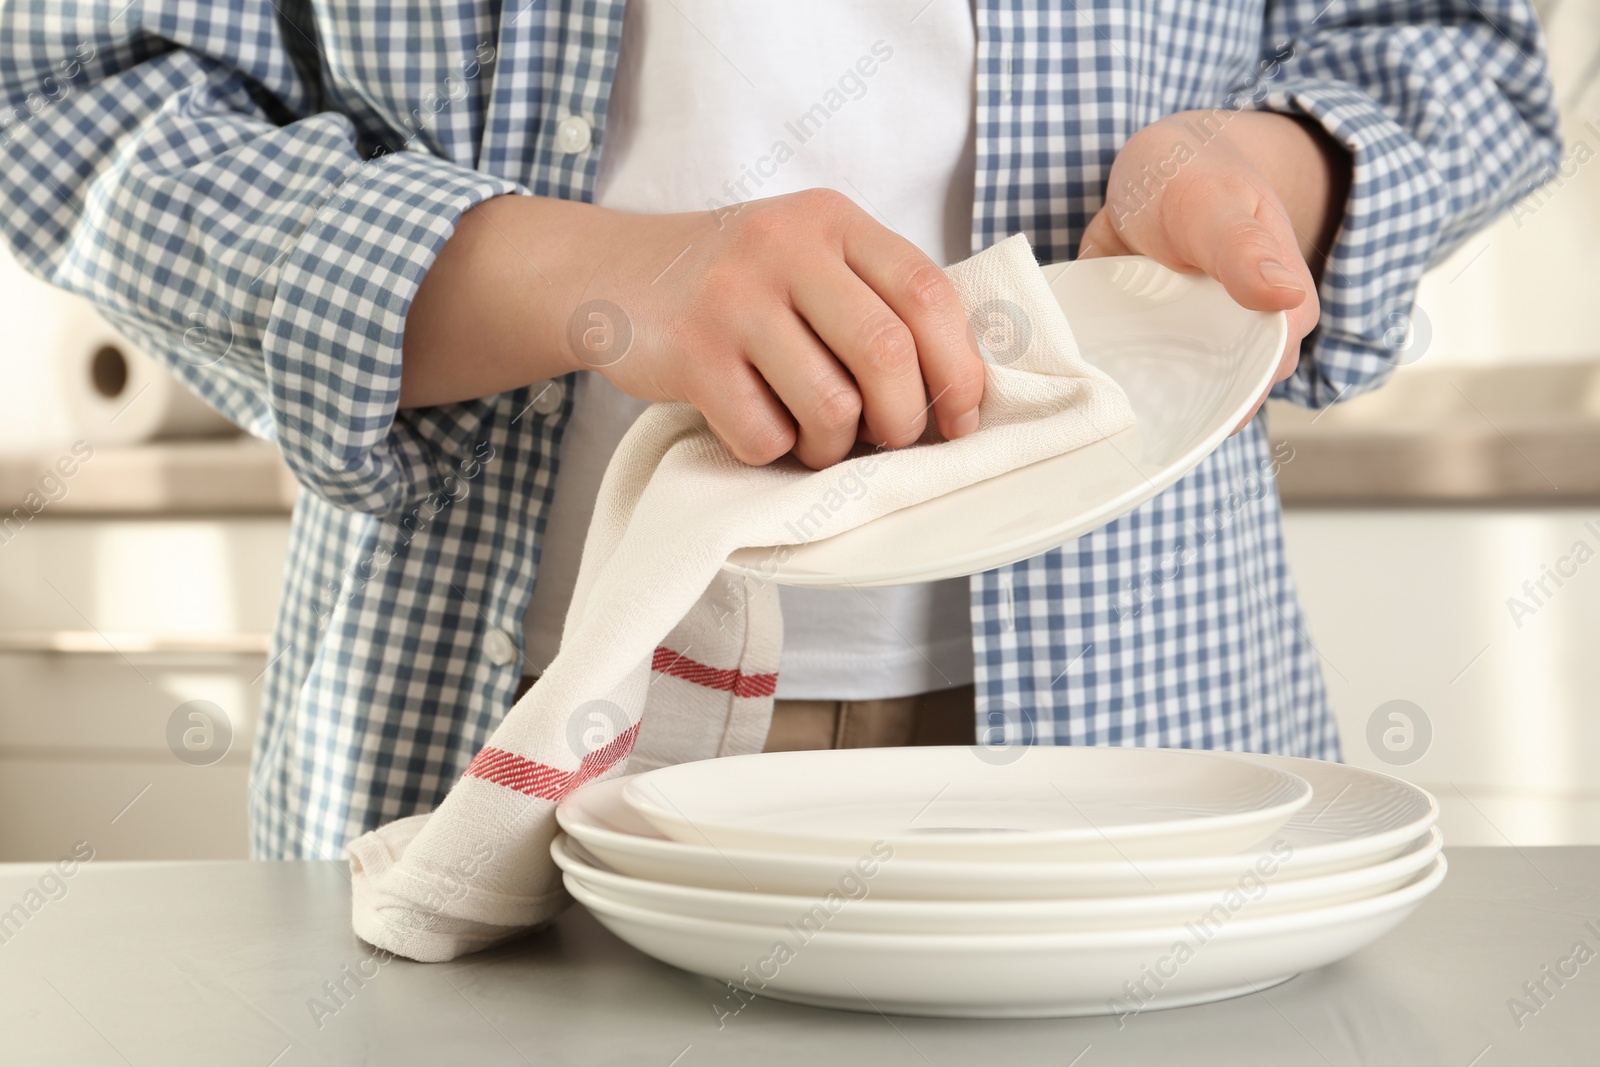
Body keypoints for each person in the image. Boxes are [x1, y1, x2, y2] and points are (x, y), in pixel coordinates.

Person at [0, 1, 1559, 861]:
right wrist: (589, 280)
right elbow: (65, 82)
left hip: (1146, 729)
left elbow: (1455, 40)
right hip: (500, 729)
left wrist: (1265, 172)